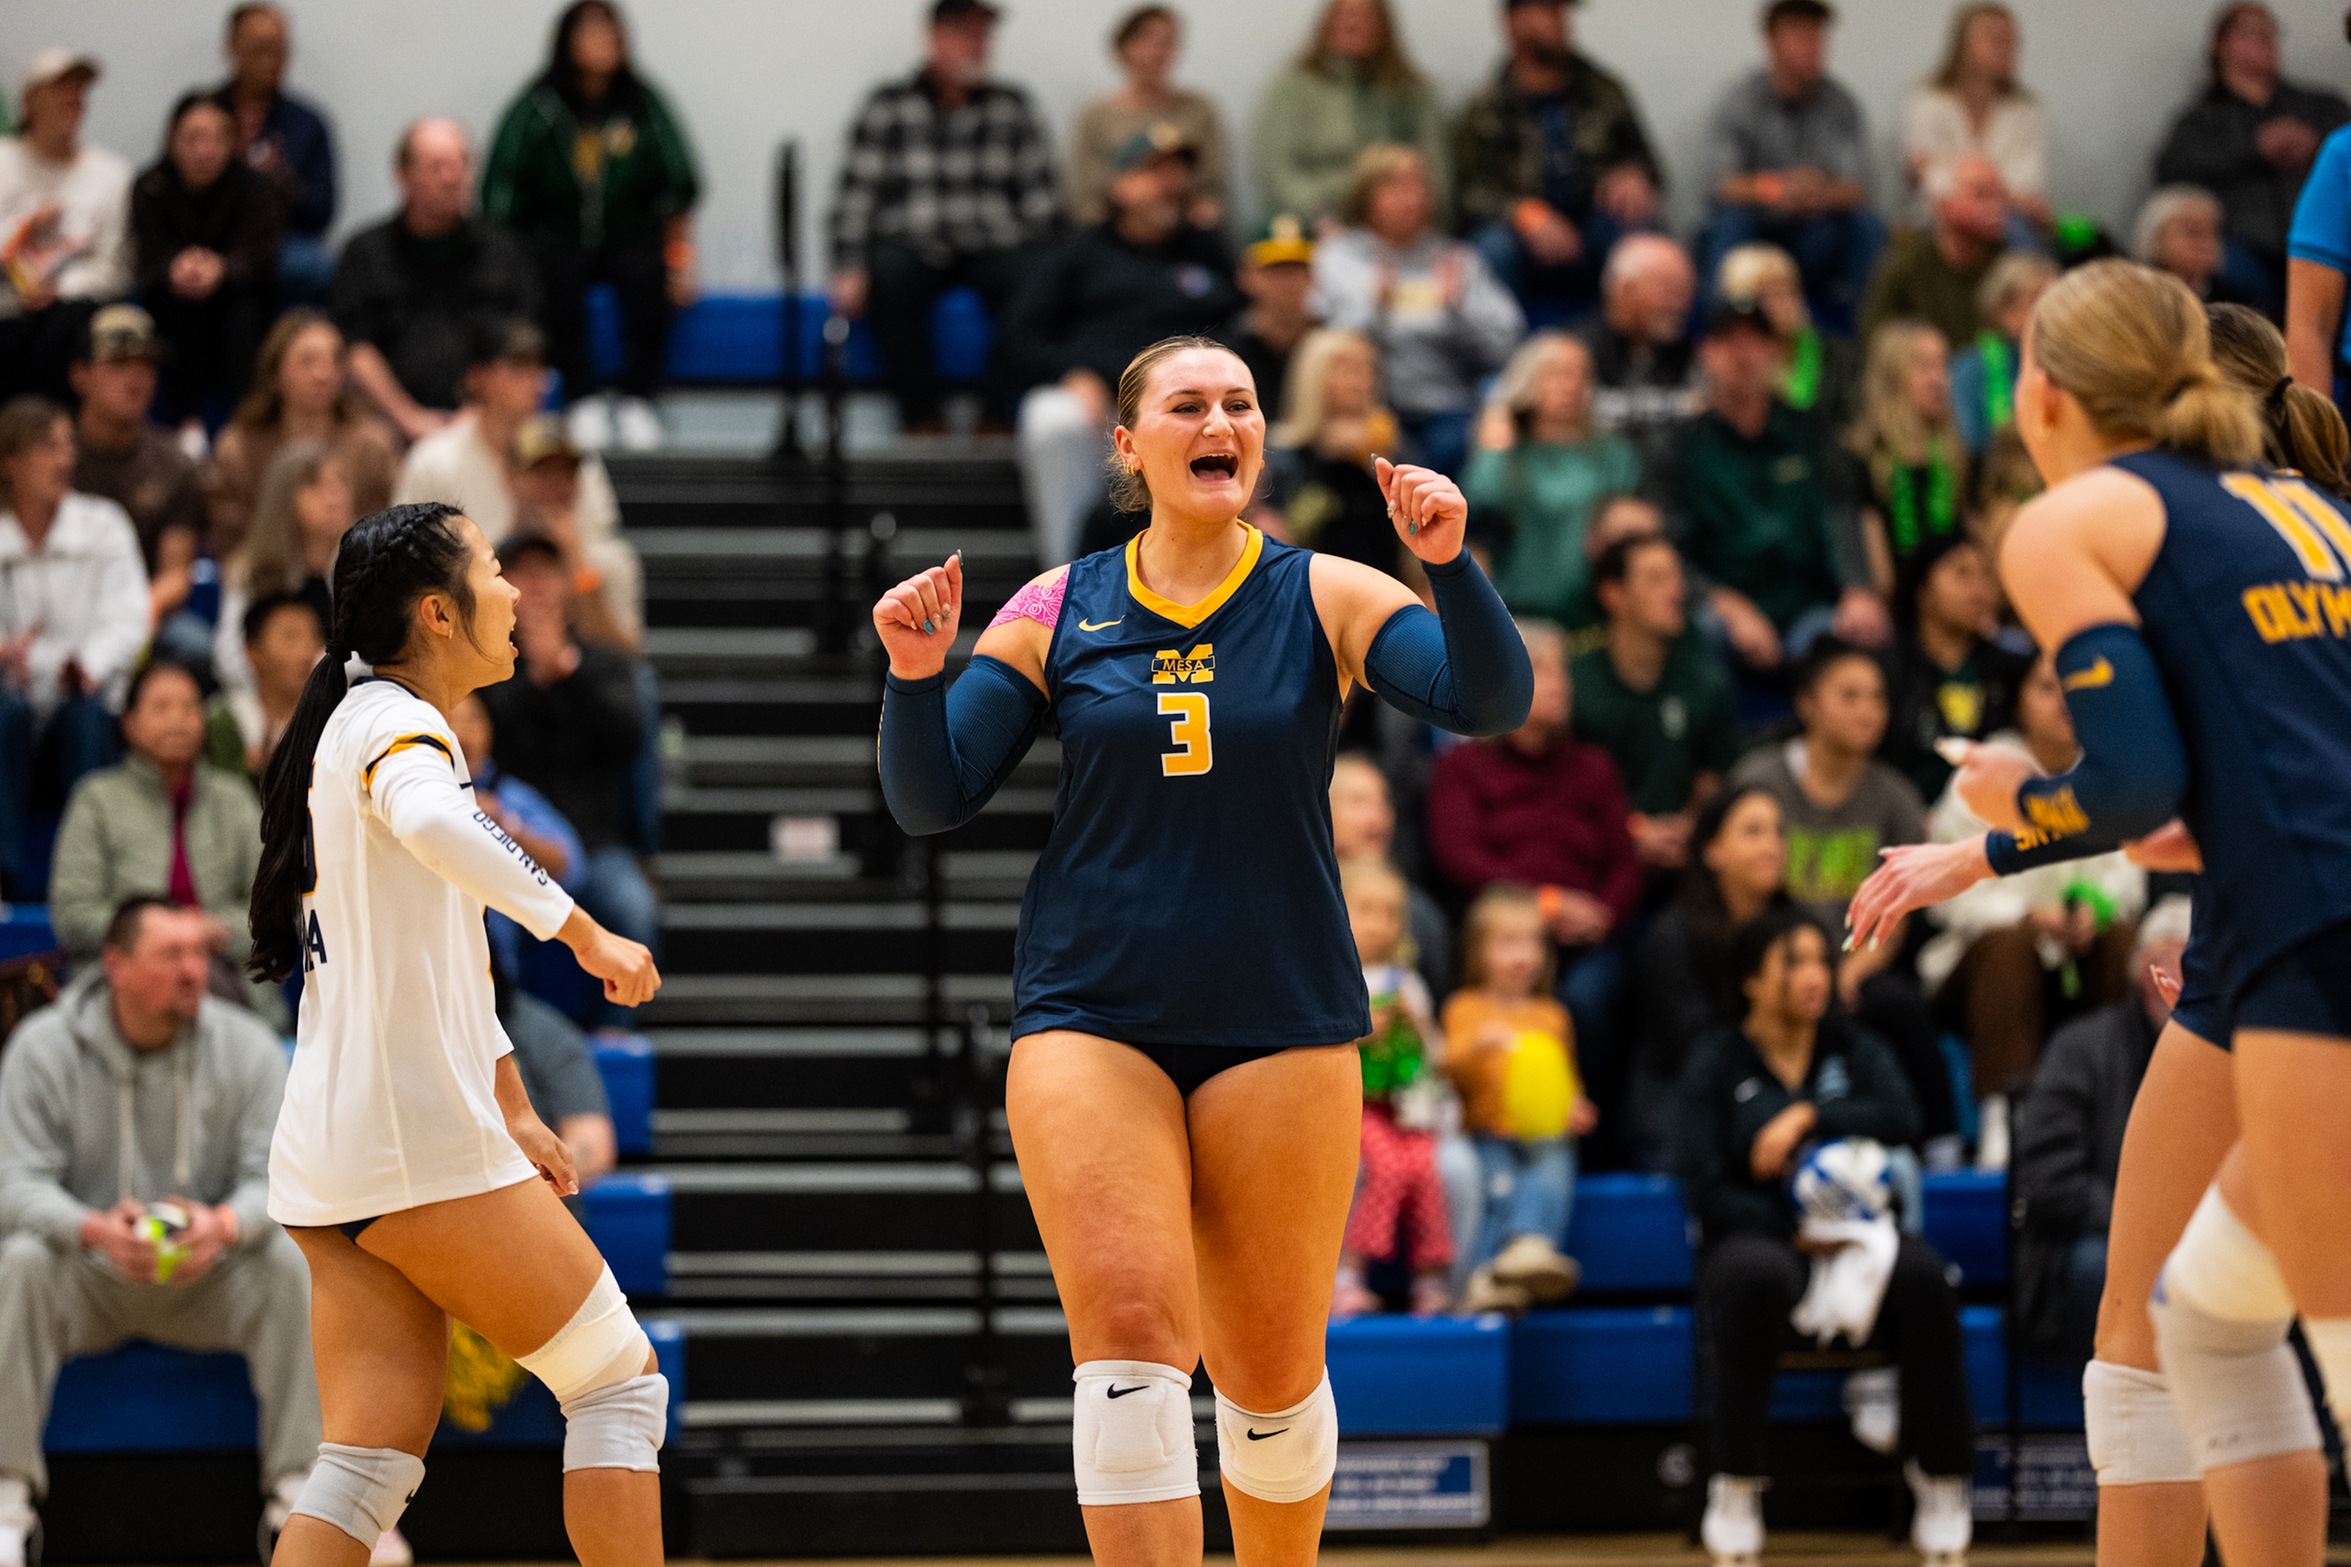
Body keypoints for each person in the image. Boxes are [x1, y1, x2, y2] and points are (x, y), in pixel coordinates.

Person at [873, 334, 1531, 1562]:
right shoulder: (1054, 604)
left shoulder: (1327, 591)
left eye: (1239, 403)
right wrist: (915, 677)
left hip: (1279, 1010)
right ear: (1130, 447)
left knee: (1268, 1376)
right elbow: (932, 796)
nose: (1220, 421)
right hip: (1091, 1009)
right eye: (1188, 405)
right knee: (1127, 1347)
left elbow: (1487, 701)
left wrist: (1447, 563)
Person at [1845, 259, 2351, 1567]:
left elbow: (2134, 781)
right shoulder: (2306, 508)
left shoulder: (2074, 522)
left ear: (2043, 394)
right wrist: (1998, 841)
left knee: (2296, 1333)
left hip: (2309, 932)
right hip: (2262, 925)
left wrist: (2010, 808)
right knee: (2195, 1324)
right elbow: (2219, 787)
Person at [241, 499, 661, 1567]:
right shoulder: (399, 725)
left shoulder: (352, 723)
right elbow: (439, 825)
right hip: (410, 1142)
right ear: (437, 612)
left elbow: (447, 952)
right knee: (617, 1385)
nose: (512, 588)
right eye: (489, 569)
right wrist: (582, 931)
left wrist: (511, 1101)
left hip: (332, 1152)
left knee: (366, 1461)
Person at [0, 897, 324, 1567]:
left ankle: (302, 1500)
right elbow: (13, 1183)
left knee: (288, 1260)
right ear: (115, 965)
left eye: (199, 952)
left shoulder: (247, 1046)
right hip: (90, 1273)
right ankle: (6, 1505)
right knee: (22, 1260)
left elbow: (282, 1179)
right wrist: (90, 1228)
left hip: (208, 1273)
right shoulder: (42, 1047)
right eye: (171, 954)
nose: (194, 970)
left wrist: (224, 1224)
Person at [1673, 906, 1972, 1567]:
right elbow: (1701, 1185)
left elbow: (1904, 1116)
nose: (1813, 976)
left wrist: (1808, 1116)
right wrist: (1793, 1230)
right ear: (1751, 980)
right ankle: (1735, 1484)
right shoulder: (1716, 1059)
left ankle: (1941, 1478)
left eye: (1820, 961)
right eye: (1793, 962)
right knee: (1757, 1276)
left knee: (1927, 1278)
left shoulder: (1853, 1047)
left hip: (1858, 1232)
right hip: (1756, 1232)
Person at [1914, 650, 2140, 1169]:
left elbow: (2130, 874)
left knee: (2123, 940)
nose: (2064, 700)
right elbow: (1947, 891)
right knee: (2010, 945)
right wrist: (2031, 917)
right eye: (2045, 687)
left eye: (2074, 686)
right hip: (1980, 971)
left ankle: (2116, 1114)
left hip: (2075, 963)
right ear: (2016, 700)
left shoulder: (2108, 772)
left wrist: (2093, 912)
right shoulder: (1984, 770)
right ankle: (2006, 1119)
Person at [1728, 639, 1953, 1149]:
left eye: (1877, 697)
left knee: (1898, 1005)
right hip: (1774, 955)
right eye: (1849, 696)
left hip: (1857, 960)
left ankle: (1941, 1145)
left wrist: (1850, 970)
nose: (1868, 711)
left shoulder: (1896, 796)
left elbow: (1902, 909)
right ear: (1807, 704)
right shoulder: (1759, 780)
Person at [1002, 126, 1240, 567]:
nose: (1171, 185)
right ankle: (1067, 580)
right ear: (1121, 185)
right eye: (1155, 172)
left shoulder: (1207, 252)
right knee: (1052, 420)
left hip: (1190, 410)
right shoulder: (1077, 252)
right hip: (1102, 406)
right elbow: (1019, 338)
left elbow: (1240, 332)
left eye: (1178, 173)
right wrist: (1072, 371)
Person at [828, 0, 1062, 436]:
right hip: (913, 242)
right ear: (935, 39)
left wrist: (1053, 261)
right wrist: (848, 265)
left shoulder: (1012, 106)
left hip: (993, 243)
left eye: (983, 36)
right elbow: (856, 195)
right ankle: (922, 420)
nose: (977, 46)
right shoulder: (888, 104)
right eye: (966, 34)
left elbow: (1042, 202)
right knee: (888, 273)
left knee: (1037, 276)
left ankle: (996, 417)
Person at [1426, 621, 1640, 1098]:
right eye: (1541, 671)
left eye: (1562, 672)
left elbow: (1624, 863)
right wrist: (1540, 904)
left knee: (1590, 998)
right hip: (1501, 928)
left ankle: (1587, 1123)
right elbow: (1459, 856)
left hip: (1585, 936)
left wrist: (1601, 915)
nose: (1560, 685)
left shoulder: (1594, 766)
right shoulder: (1463, 767)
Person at [484, 1, 701, 455]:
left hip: (629, 237)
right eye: (590, 34)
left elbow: (680, 183)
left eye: (610, 35)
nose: (601, 44)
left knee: (646, 271)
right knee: (558, 273)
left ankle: (638, 399)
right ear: (567, 42)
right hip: (559, 239)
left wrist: (682, 258)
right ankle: (582, 399)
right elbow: (500, 191)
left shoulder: (642, 103)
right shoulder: (539, 106)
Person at [477, 533, 656, 1024]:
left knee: (632, 908)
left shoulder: (603, 662)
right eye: (523, 573)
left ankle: (613, 1037)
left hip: (595, 844)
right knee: (484, 923)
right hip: (509, 844)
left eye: (546, 572)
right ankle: (510, 1037)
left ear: (567, 585)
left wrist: (567, 672)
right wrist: (533, 678)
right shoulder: (485, 666)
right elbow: (479, 742)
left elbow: (629, 741)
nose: (536, 586)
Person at [2012, 897, 2191, 1361]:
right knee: (2109, 1266)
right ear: (2149, 971)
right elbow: (2049, 1180)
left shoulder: (2224, 1054)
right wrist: (2144, 1225)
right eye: (2187, 963)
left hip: (2194, 1231)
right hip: (2090, 1234)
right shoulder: (2081, 1050)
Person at [393, 320, 642, 648]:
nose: (536, 383)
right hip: (463, 622)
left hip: (567, 605)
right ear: (478, 377)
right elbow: (404, 562)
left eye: (539, 369)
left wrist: (569, 559)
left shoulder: (575, 453)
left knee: (612, 563)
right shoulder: (434, 460)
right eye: (518, 369)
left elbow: (598, 542)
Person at [1675, 299, 1884, 677]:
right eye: (1729, 342)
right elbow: (1673, 545)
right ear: (1706, 354)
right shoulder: (1683, 446)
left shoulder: (1810, 429)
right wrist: (1726, 604)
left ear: (1773, 351)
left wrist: (1857, 588)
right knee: (1702, 629)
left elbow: (1840, 512)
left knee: (1860, 628)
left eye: (1755, 341)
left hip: (1810, 605)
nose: (1743, 355)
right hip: (1726, 605)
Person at [0, 397, 147, 898]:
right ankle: (6, 882)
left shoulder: (103, 523)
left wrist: (88, 665)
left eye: (67, 446)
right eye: (47, 447)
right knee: (6, 713)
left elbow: (130, 617)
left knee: (85, 716)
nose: (63, 459)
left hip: (83, 696)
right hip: (11, 703)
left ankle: (94, 877)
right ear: (9, 462)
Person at [1316, 144, 1523, 477]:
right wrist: (1374, 308)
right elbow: (1322, 350)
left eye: (1417, 186)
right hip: (1372, 408)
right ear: (1364, 195)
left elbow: (1506, 348)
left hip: (1450, 409)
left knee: (1463, 449)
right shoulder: (1337, 259)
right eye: (1393, 186)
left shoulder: (1457, 260)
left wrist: (1459, 311)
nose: (1409, 198)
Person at [1455, 0, 1662, 325]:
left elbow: (1647, 163)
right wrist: (1523, 213)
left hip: (1595, 218)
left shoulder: (1603, 90)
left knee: (1641, 238)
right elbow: (1470, 193)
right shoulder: (1486, 105)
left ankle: (1632, 346)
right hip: (1522, 231)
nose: (1561, 22)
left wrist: (1633, 175)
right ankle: (1502, 348)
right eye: (1548, 11)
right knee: (1492, 249)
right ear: (1514, 23)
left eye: (1562, 13)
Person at [330, 119, 537, 442]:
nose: (452, 178)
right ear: (404, 175)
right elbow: (355, 349)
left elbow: (522, 343)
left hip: (487, 421)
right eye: (437, 166)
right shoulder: (365, 253)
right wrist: (409, 419)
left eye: (461, 164)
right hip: (387, 424)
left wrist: (478, 415)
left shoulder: (504, 252)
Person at [1442, 883, 1591, 1314]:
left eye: (1532, 942)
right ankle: (1484, 1277)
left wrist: (1576, 1106)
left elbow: (1567, 1078)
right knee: (1497, 1192)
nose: (1523, 955)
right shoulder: (1464, 1008)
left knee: (1555, 1167)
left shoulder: (1552, 1015)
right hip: (1485, 1134)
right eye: (1507, 943)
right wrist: (1476, 1046)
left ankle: (1529, 1246)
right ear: (1479, 951)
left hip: (1541, 1133)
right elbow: (1446, 1066)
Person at [1629, 785, 1788, 1166]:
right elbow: (1692, 1046)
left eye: (1778, 832)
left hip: (1779, 1092)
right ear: (1711, 850)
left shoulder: (1797, 930)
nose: (1772, 845)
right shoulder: (1672, 936)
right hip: (1683, 1099)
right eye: (1754, 832)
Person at [2155, 2, 2347, 314]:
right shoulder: (2200, 120)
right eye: (2247, 33)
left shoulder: (2320, 106)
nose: (2261, 41)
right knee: (2212, 259)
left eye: (2268, 33)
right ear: (2218, 45)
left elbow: (2344, 139)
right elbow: (2170, 172)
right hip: (2241, 252)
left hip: (2323, 241)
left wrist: (2317, 145)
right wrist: (2254, 148)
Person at [1699, 0, 1878, 334]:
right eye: (1800, 35)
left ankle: (1864, 338)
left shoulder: (1841, 105)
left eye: (1818, 36)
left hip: (1816, 232)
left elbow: (1859, 187)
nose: (1812, 46)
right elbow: (1720, 182)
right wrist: (1777, 188)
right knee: (1729, 221)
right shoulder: (1741, 101)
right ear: (1771, 41)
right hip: (1760, 230)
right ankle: (1721, 333)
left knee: (1865, 225)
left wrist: (1819, 193)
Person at [1571, 533, 1740, 877]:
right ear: (1613, 594)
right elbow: (1559, 787)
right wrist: (1630, 831)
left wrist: (1691, 824)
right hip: (1591, 855)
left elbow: (1713, 778)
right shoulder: (1575, 684)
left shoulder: (1705, 683)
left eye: (1677, 577)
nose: (1676, 591)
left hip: (1683, 859)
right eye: (1656, 579)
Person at [1333, 858, 1452, 1318]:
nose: (1379, 924)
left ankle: (1430, 1279)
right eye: (1366, 910)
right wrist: (1363, 1032)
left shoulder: (1407, 983)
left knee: (1425, 1168)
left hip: (1403, 1107)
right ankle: (1348, 1275)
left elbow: (1434, 1052)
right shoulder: (1334, 980)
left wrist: (1416, 1023)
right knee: (1383, 1165)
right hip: (1353, 1106)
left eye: (1390, 913)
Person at [1464, 331, 1640, 627]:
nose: (1571, 384)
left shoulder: (1615, 456)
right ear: (1528, 380)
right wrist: (1496, 439)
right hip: (1516, 609)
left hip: (1594, 611)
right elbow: (1477, 513)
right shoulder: (1505, 453)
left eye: (1581, 374)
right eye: (1557, 374)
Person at [131, 91, 282, 428]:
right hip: (172, 297)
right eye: (193, 139)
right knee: (177, 308)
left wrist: (223, 269)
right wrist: (174, 267)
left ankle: (246, 424)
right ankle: (187, 426)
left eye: (215, 139)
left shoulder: (254, 187)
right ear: (172, 141)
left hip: (237, 294)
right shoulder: (150, 185)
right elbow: (146, 254)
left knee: (243, 312)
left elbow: (262, 253)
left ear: (232, 143)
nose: (204, 150)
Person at [206, 309, 399, 562]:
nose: (323, 374)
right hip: (262, 574)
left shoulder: (372, 444)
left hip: (357, 573)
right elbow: (229, 542)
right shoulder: (238, 448)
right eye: (308, 362)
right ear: (274, 373)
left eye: (334, 361)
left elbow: (390, 533)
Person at [0, 51, 132, 405]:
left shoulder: (111, 176)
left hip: (69, 320)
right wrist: (24, 230)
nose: (73, 99)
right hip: (6, 309)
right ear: (29, 102)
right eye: (59, 89)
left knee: (73, 322)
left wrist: (57, 289)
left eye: (79, 90)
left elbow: (114, 268)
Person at [68, 306, 206, 641]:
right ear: (80, 375)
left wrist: (130, 616)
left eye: (146, 363)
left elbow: (176, 575)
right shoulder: (49, 455)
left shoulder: (175, 463)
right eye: (118, 363)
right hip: (56, 605)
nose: (136, 377)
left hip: (143, 611)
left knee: (194, 645)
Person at [1253, 0, 1449, 229]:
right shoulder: (1293, 90)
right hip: (1315, 217)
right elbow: (1277, 171)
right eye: (1345, 16)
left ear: (1383, 26)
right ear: (1327, 24)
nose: (1354, 24)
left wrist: (1417, 217)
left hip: (1396, 220)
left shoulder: (1410, 90)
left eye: (1365, 16)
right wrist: (1317, 214)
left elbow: (1436, 169)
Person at [1880, 534, 2029, 804]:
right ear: (1922, 591)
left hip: (1990, 813)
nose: (1979, 589)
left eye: (1985, 575)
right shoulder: (1886, 669)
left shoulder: (2013, 669)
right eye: (1962, 574)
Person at [209, 4, 337, 304]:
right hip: (213, 238)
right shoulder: (203, 115)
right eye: (259, 48)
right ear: (232, 48)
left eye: (279, 50)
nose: (270, 60)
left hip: (284, 243)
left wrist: (281, 182)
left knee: (316, 267)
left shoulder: (307, 123)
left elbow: (322, 211)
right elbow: (170, 188)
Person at [1068, 6, 1230, 232]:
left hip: (1186, 232)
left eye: (1167, 42)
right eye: (1146, 41)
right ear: (1123, 49)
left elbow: (1214, 188)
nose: (1157, 53)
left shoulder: (1199, 109)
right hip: (1117, 235)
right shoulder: (1096, 116)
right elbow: (1086, 197)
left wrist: (1201, 213)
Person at [213, 439, 350, 699]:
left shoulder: (363, 568)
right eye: (317, 485)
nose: (335, 496)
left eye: (340, 483)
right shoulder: (252, 570)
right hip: (267, 703)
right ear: (285, 497)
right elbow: (230, 659)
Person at [1261, 327, 1402, 572]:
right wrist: (1328, 455)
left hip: (1384, 580)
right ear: (1312, 375)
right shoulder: (1280, 454)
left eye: (1369, 369)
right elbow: (1279, 536)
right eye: (1347, 369)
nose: (1362, 382)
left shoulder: (1390, 448)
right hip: (1307, 581)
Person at [1845, 318, 1970, 592]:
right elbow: (1877, 573)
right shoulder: (1861, 458)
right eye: (1924, 367)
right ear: (1891, 377)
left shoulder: (1955, 453)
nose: (1939, 379)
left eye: (1943, 365)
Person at [1901, 3, 2047, 232]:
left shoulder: (2025, 110)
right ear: (1962, 45)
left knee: (2021, 234)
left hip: (2008, 219)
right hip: (1938, 219)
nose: (2005, 48)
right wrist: (1973, 201)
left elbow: (2027, 184)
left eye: (2011, 41)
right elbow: (1929, 177)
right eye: (1994, 39)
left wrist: (1984, 196)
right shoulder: (1928, 102)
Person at [1580, 233, 1701, 503]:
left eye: (1686, 294)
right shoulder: (1575, 350)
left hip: (1674, 501)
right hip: (1591, 501)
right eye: (1670, 290)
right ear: (1624, 289)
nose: (1681, 305)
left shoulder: (1692, 356)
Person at [1329, 752, 1450, 1000]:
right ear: (1322, 810)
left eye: (1382, 803)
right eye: (1358, 802)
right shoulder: (1295, 901)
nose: (1376, 817)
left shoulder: (1416, 911)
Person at [1857, 154, 2007, 353]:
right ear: (1942, 205)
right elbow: (1878, 343)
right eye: (1981, 195)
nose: (1996, 206)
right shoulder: (1905, 269)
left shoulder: (2014, 263)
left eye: (2000, 195)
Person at [1717, 240, 1860, 435]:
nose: (1784, 303)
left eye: (1789, 290)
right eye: (1768, 295)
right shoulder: (1730, 364)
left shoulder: (1841, 357)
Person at [205, 590, 323, 785]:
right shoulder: (224, 718)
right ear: (252, 650)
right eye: (290, 637)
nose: (307, 652)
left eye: (314, 637)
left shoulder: (334, 717)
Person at [1947, 249, 2055, 460]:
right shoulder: (1973, 369)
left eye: (2053, 297)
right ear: (2003, 311)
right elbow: (1973, 443)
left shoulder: (2064, 362)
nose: (2048, 308)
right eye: (2035, 298)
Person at [1224, 217, 1318, 412]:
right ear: (1246, 276)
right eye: (1275, 270)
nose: (1289, 281)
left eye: (1299, 269)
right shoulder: (1226, 353)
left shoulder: (1332, 347)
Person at [2131, 185, 2250, 308]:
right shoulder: (2133, 296)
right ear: (2156, 239)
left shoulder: (2234, 303)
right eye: (2193, 231)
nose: (2207, 243)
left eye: (2214, 233)